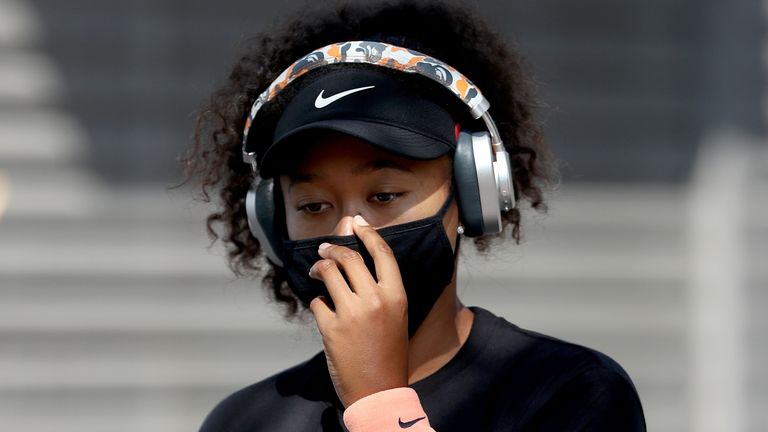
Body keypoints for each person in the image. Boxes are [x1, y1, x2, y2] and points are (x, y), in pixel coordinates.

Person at [181, 1, 646, 430]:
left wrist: (381, 402)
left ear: (474, 190)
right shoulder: (242, 421)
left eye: (384, 195)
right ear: (269, 221)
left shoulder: (569, 394)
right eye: (313, 206)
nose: (349, 231)